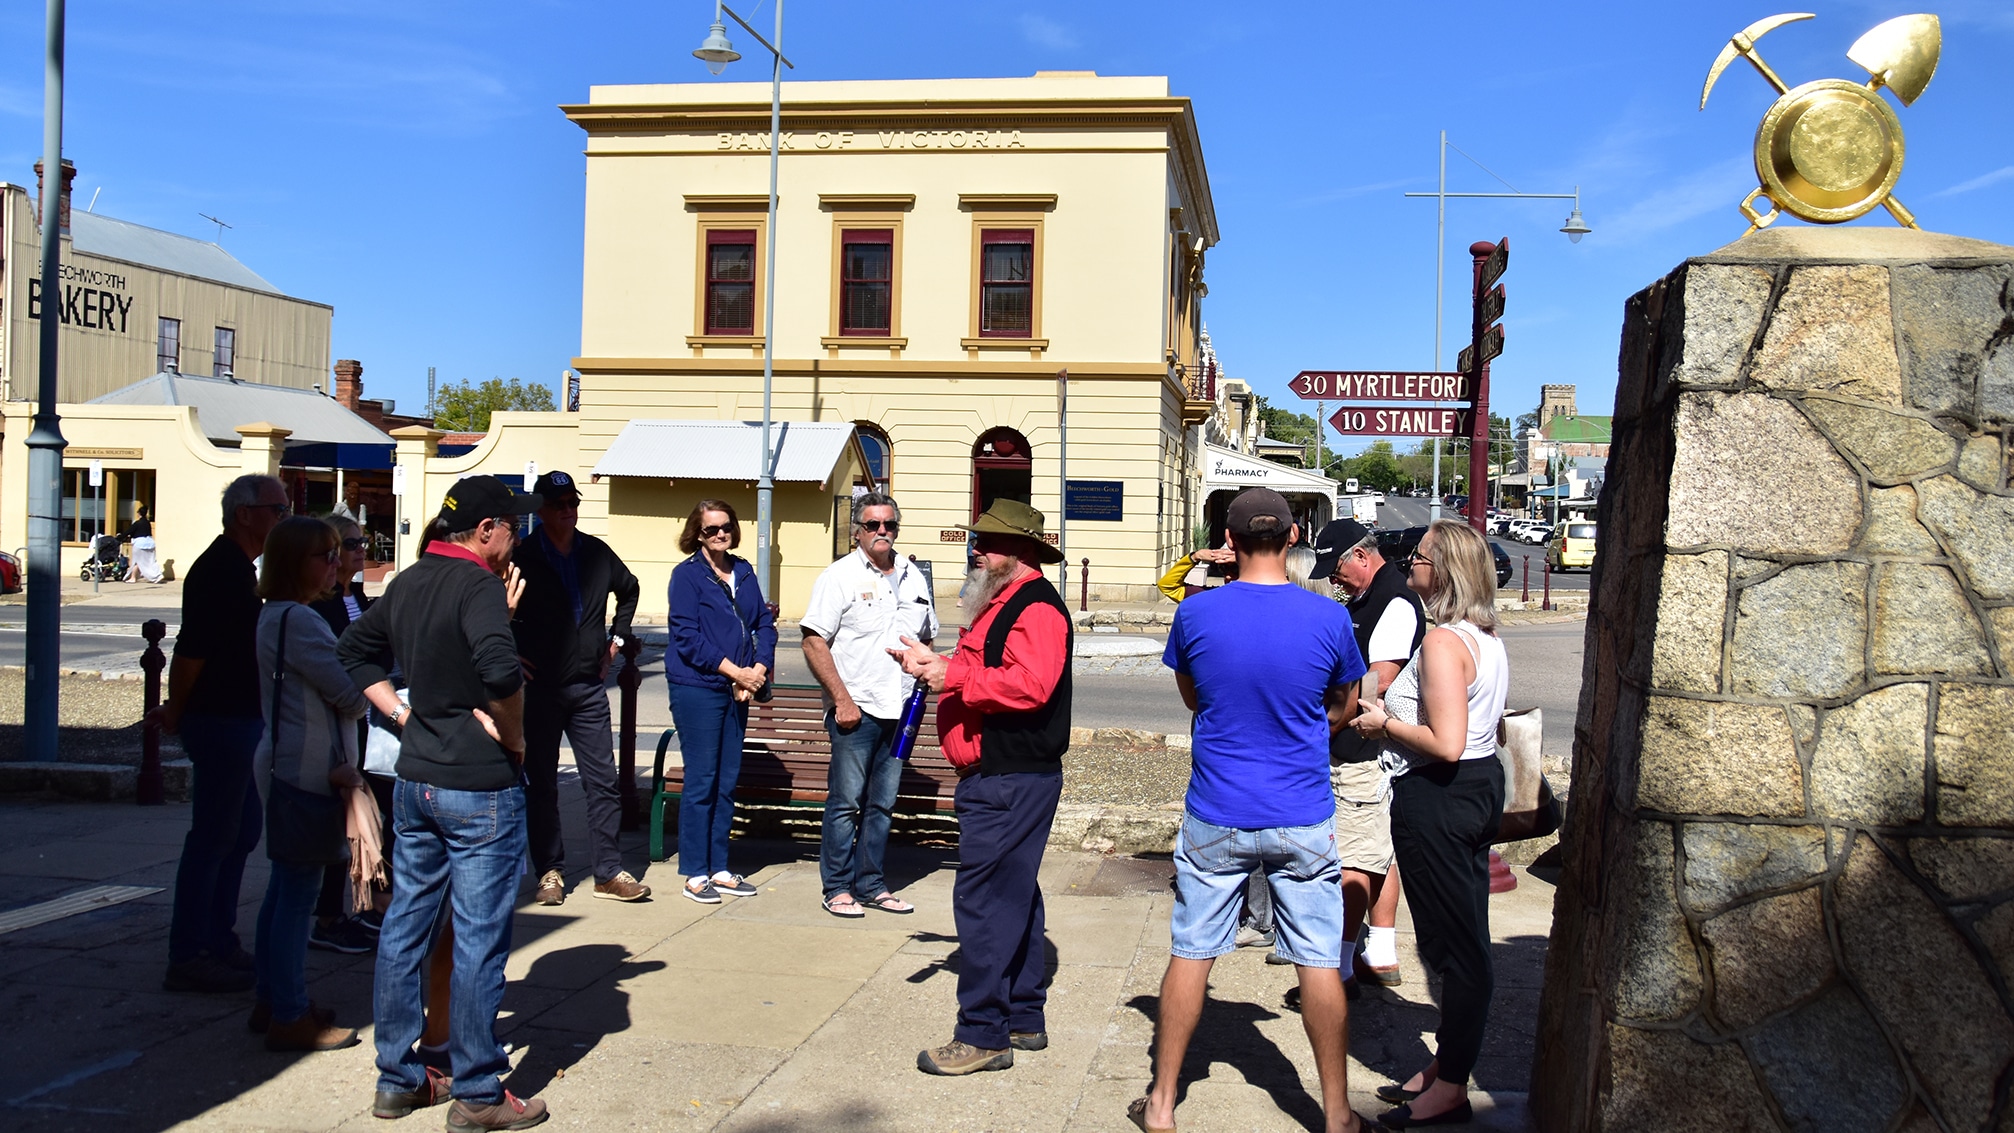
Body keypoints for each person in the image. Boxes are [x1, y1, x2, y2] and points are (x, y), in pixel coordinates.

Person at [1138, 487, 1371, 1133]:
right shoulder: (1328, 618)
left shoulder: (1197, 613)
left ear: (1230, 541)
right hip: (1300, 809)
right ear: (1294, 536)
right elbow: (1346, 704)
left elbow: (1194, 697)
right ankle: (1337, 1112)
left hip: (1218, 808)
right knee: (1318, 960)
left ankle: (1161, 1104)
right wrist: (1305, 726)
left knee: (1193, 951)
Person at [339, 474, 551, 1131]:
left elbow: (356, 651)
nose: (517, 538)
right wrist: (512, 735)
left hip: (417, 779)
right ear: (485, 530)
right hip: (477, 785)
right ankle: (479, 1091)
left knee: (406, 925)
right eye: (512, 526)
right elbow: (498, 670)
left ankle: (397, 1080)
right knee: (480, 937)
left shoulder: (410, 579)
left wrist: (404, 715)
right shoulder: (479, 584)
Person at [890, 499, 1072, 1077]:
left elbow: (1031, 686)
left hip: (1009, 774)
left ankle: (982, 1033)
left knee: (987, 901)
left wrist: (952, 675)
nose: (976, 549)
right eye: (977, 538)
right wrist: (935, 663)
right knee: (1012, 893)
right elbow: (996, 669)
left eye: (988, 542)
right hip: (1004, 773)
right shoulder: (1005, 602)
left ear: (1019, 553)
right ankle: (1020, 1014)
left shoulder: (1035, 606)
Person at [1350, 519, 1510, 1129]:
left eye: (1416, 558)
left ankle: (1450, 1086)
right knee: (1455, 936)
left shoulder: (1444, 643)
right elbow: (1478, 731)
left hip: (1440, 795)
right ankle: (1446, 1067)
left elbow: (1445, 743)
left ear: (1440, 571)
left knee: (1456, 947)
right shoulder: (1483, 635)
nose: (1409, 566)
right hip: (1471, 790)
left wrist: (1381, 723)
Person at [156, 474, 290, 994]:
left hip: (243, 719)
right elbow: (191, 652)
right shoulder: (219, 570)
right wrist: (176, 708)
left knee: (240, 835)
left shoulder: (242, 570)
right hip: (221, 720)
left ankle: (218, 938)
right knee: (214, 838)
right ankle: (189, 952)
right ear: (245, 514)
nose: (283, 517)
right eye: (276, 510)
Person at [251, 516, 366, 1052]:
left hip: (290, 761)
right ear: (295, 563)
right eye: (324, 555)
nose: (336, 563)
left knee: (284, 890)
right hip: (306, 768)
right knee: (296, 894)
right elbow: (349, 693)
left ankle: (274, 1000)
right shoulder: (299, 619)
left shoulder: (277, 615)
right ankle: (290, 1014)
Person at [800, 491, 937, 918]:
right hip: (856, 711)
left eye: (889, 525)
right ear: (857, 530)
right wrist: (841, 699)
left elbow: (926, 634)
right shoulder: (838, 577)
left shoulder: (914, 576)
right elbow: (812, 640)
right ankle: (837, 888)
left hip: (900, 710)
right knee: (846, 802)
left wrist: (923, 678)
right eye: (873, 525)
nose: (882, 532)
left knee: (882, 804)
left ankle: (873, 884)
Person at [513, 471, 646, 906]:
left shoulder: (596, 552)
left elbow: (629, 590)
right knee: (543, 784)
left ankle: (607, 871)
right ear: (541, 510)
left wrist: (617, 639)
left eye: (572, 502)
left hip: (588, 687)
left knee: (602, 781)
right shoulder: (524, 555)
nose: (567, 510)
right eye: (558, 504)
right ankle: (549, 871)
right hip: (542, 688)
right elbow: (496, 608)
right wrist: (510, 651)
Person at [1313, 517, 1427, 990]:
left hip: (1364, 746)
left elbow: (1374, 686)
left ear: (1361, 555)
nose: (1333, 578)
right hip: (1358, 742)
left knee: (1356, 859)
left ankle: (1338, 966)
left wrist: (1320, 729)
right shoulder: (1369, 596)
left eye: (1336, 568)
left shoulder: (1394, 602)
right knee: (1379, 851)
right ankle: (1379, 951)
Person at [664, 499, 776, 905]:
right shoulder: (687, 576)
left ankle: (720, 867)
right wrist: (735, 671)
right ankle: (695, 871)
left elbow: (764, 623)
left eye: (726, 526)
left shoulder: (743, 571)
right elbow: (687, 638)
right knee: (702, 780)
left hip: (740, 688)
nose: (720, 534)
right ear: (697, 532)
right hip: (698, 687)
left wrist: (759, 668)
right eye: (711, 529)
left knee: (727, 780)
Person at [306, 513, 381, 952]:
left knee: (363, 819)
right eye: (350, 544)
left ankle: (358, 907)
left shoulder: (361, 597)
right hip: (340, 725)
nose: (360, 550)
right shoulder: (319, 606)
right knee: (340, 822)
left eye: (362, 542)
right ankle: (329, 917)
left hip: (367, 725)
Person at [126, 505, 164, 583]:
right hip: (150, 543)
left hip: (140, 544)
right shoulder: (147, 523)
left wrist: (119, 537)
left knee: (137, 562)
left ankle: (134, 578)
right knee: (151, 561)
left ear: (139, 514)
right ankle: (157, 574)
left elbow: (129, 531)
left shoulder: (137, 523)